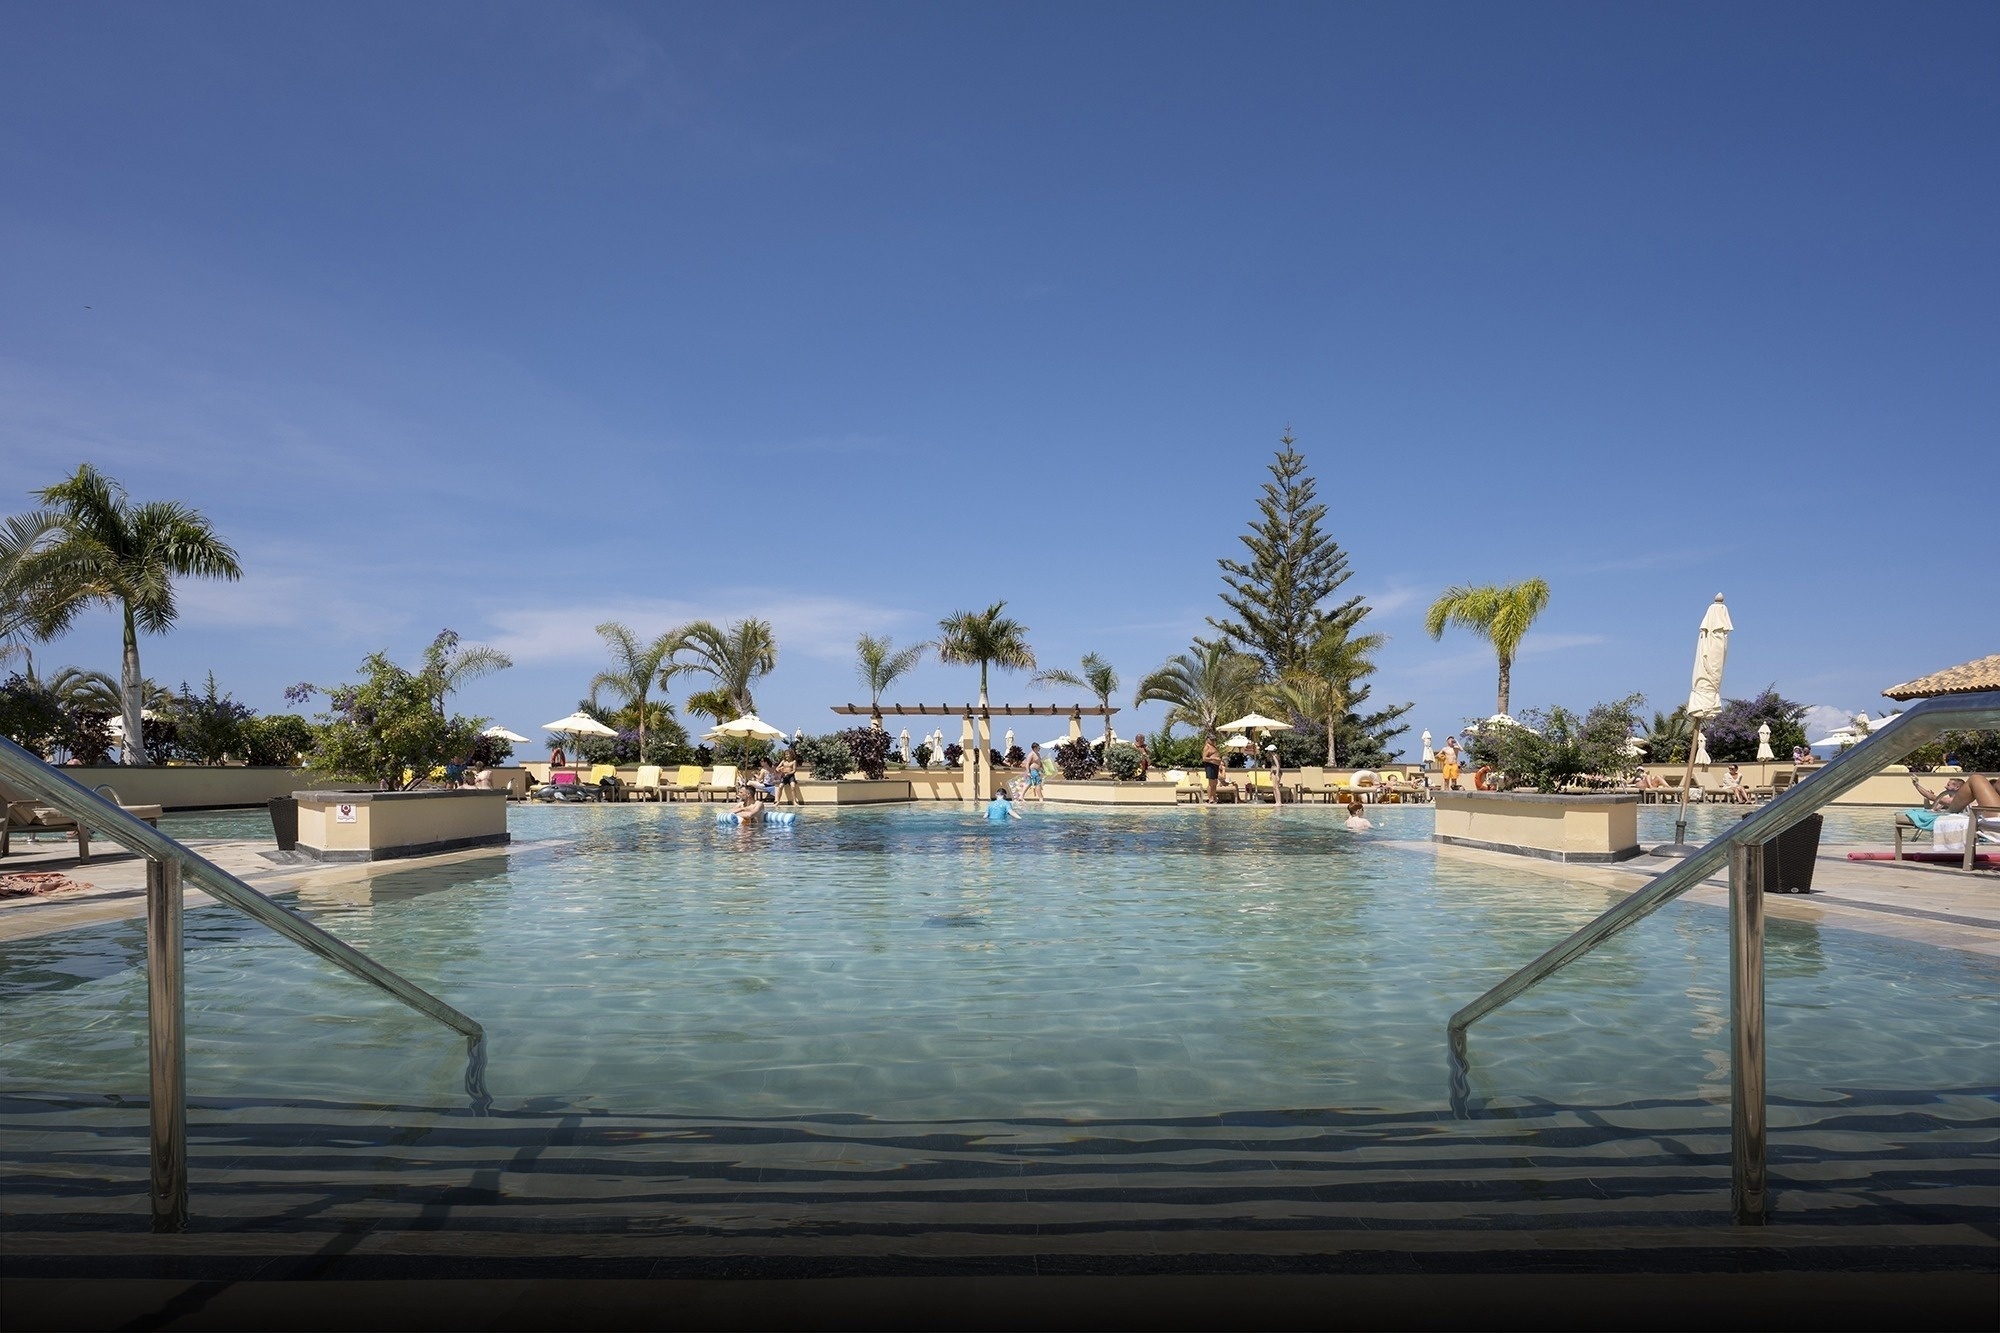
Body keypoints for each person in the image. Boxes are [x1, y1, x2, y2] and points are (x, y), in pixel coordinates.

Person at [1913, 774, 2000, 813]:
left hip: (1995, 818)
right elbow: (1930, 808)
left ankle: (1950, 812)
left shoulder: (1961, 800)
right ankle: (1950, 812)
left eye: (1948, 785)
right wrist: (1926, 799)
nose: (1945, 787)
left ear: (1957, 787)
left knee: (1976, 779)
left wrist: (1916, 785)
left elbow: (1934, 798)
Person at [1202, 736, 1223, 805]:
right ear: (1208, 739)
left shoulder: (1214, 746)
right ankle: (1210, 798)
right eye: (1211, 740)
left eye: (1214, 739)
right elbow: (1204, 758)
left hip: (1215, 766)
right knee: (1211, 783)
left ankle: (1214, 797)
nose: (1213, 741)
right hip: (1210, 766)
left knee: (1215, 782)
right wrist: (1214, 759)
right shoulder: (1207, 747)